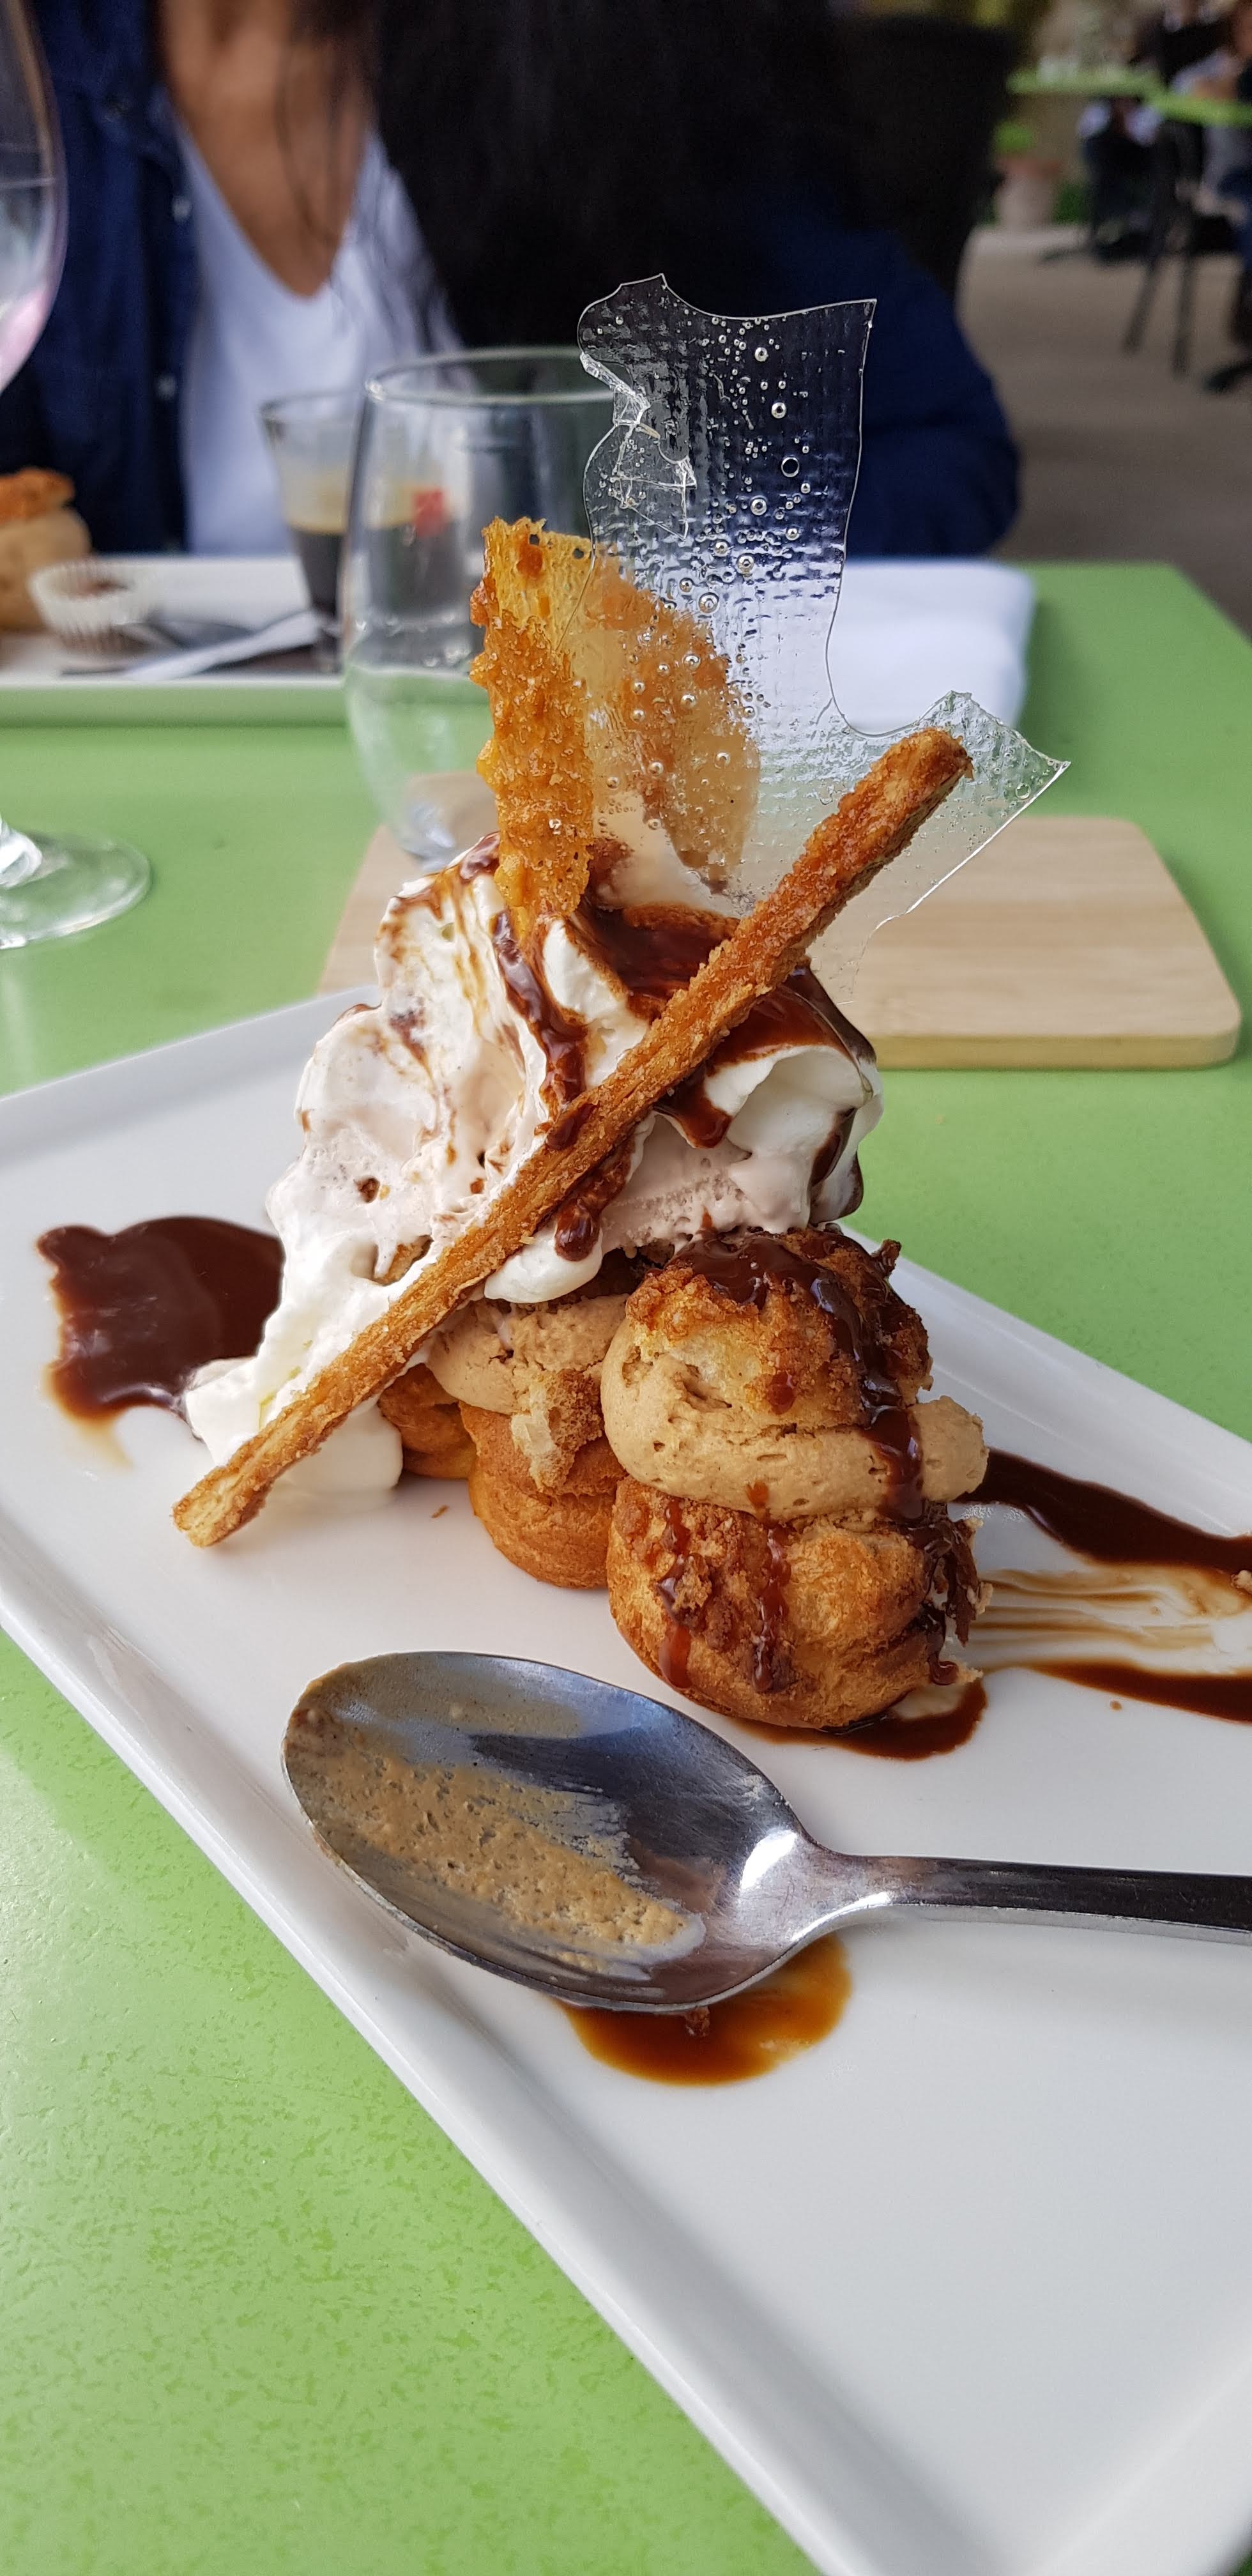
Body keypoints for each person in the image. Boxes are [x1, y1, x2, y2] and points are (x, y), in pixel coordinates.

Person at [0, 0, 1018, 560]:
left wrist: (652, 562)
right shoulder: (32, 71)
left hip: (556, 783)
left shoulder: (624, 54)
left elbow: (935, 445)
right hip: (140, 785)